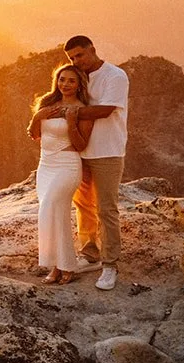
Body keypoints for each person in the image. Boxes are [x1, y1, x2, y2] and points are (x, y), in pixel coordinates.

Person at [33, 36, 129, 290]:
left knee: (106, 209)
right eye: (72, 58)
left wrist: (67, 111)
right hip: (77, 155)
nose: (77, 61)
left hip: (107, 151)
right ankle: (90, 254)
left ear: (92, 50)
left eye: (80, 55)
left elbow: (105, 110)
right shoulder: (79, 77)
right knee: (83, 206)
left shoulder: (115, 76)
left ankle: (110, 265)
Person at [28, 64, 94, 283]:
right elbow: (34, 135)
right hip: (46, 165)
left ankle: (67, 265)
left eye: (71, 81)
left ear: (79, 85)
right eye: (62, 79)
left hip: (67, 165)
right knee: (49, 213)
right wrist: (38, 117)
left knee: (52, 207)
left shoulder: (82, 109)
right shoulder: (47, 103)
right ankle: (56, 267)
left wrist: (72, 123)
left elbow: (81, 145)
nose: (65, 84)